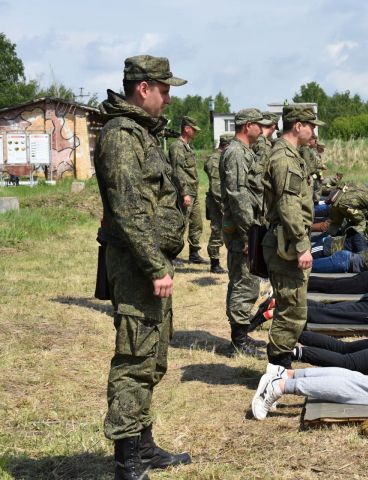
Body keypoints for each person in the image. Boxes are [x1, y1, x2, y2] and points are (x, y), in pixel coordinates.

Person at [95, 55, 192, 478]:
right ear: (144, 88)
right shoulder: (121, 137)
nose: (168, 99)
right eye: (165, 90)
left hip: (148, 262)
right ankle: (127, 462)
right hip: (137, 266)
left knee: (152, 355)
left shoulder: (143, 134)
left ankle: (145, 446)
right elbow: (129, 211)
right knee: (135, 358)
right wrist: (156, 267)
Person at [261, 105, 324, 369]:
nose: (313, 131)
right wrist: (301, 246)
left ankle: (280, 363)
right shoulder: (284, 159)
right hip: (286, 243)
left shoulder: (291, 156)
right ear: (297, 126)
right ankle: (278, 368)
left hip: (287, 240)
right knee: (291, 309)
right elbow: (288, 205)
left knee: (293, 306)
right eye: (311, 125)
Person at [219, 108, 272, 357]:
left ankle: (240, 335)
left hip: (247, 226)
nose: (261, 130)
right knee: (245, 282)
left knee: (243, 280)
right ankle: (239, 341)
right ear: (247, 125)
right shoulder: (236, 153)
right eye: (258, 125)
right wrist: (248, 235)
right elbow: (238, 196)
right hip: (243, 229)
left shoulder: (244, 152)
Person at [169, 115, 206, 264]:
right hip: (184, 192)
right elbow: (177, 171)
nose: (195, 132)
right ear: (186, 129)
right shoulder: (177, 146)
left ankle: (194, 254)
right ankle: (171, 255)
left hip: (193, 191)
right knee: (180, 224)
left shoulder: (187, 146)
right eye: (193, 130)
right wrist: (184, 193)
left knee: (197, 223)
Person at [204, 133, 233, 274]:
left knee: (225, 230)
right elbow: (216, 186)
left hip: (223, 200)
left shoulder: (222, 157)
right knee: (217, 231)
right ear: (226, 145)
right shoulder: (214, 160)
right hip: (217, 202)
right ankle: (214, 263)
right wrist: (223, 207)